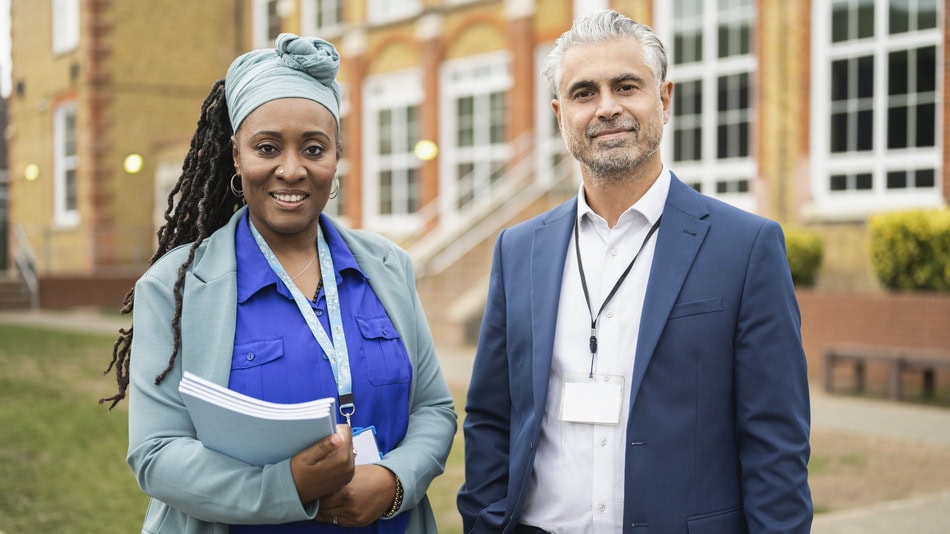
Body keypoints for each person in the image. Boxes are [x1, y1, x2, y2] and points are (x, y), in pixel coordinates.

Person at [457, 10, 812, 534]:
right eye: (583, 93)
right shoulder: (518, 249)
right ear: (560, 114)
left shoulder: (747, 247)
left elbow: (776, 444)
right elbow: (491, 418)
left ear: (663, 99)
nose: (607, 108)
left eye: (626, 86)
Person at [101, 33, 456, 533]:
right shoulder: (175, 287)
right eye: (267, 147)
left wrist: (394, 481)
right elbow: (157, 454)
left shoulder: (387, 266)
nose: (291, 170)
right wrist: (287, 487)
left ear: (336, 156)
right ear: (236, 155)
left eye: (314, 148)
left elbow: (433, 409)